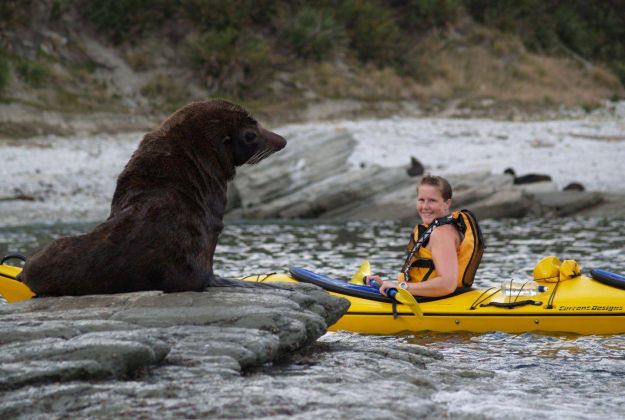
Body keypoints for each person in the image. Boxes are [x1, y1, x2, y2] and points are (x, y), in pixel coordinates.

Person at [367, 175, 483, 298]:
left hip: (440, 304)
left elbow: (447, 285)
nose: (425, 207)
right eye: (421, 200)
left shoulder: (442, 233)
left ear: (447, 203)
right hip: (429, 300)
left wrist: (401, 287)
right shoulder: (434, 229)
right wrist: (385, 285)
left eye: (432, 201)